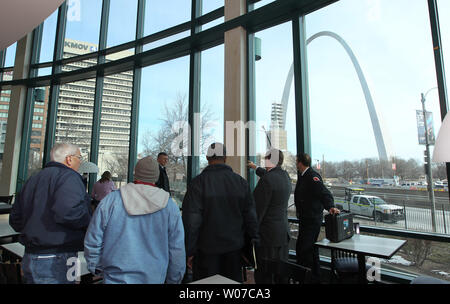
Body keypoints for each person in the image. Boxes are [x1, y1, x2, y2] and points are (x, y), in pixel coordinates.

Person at [84, 156, 185, 284]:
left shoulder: (111, 201)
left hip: (114, 277)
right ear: (156, 176)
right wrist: (173, 279)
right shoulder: (170, 206)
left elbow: (93, 238)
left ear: (135, 174)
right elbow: (177, 249)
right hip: (155, 278)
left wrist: (96, 267)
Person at [9, 143, 92, 284]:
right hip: (59, 258)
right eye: (79, 158)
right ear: (69, 159)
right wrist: (89, 224)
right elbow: (69, 213)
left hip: (30, 256)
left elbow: (15, 219)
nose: (80, 162)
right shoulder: (69, 177)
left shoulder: (33, 179)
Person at [182, 143, 259, 282]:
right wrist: (250, 249)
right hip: (234, 252)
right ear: (226, 157)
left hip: (206, 253)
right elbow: (251, 219)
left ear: (207, 157)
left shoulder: (197, 183)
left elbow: (192, 222)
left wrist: (189, 251)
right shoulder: (241, 183)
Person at [294, 153, 340, 283]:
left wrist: (330, 206)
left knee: (304, 249)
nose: (296, 164)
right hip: (306, 219)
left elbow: (324, 193)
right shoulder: (304, 176)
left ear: (300, 163)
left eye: (297, 161)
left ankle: (306, 278)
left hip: (311, 220)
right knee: (310, 249)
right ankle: (314, 277)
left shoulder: (312, 176)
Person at [248, 149, 292, 284]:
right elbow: (270, 176)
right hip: (282, 234)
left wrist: (250, 234)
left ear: (269, 160)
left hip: (268, 237)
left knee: (264, 275)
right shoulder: (285, 176)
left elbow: (257, 210)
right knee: (281, 274)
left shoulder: (267, 180)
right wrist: (256, 168)